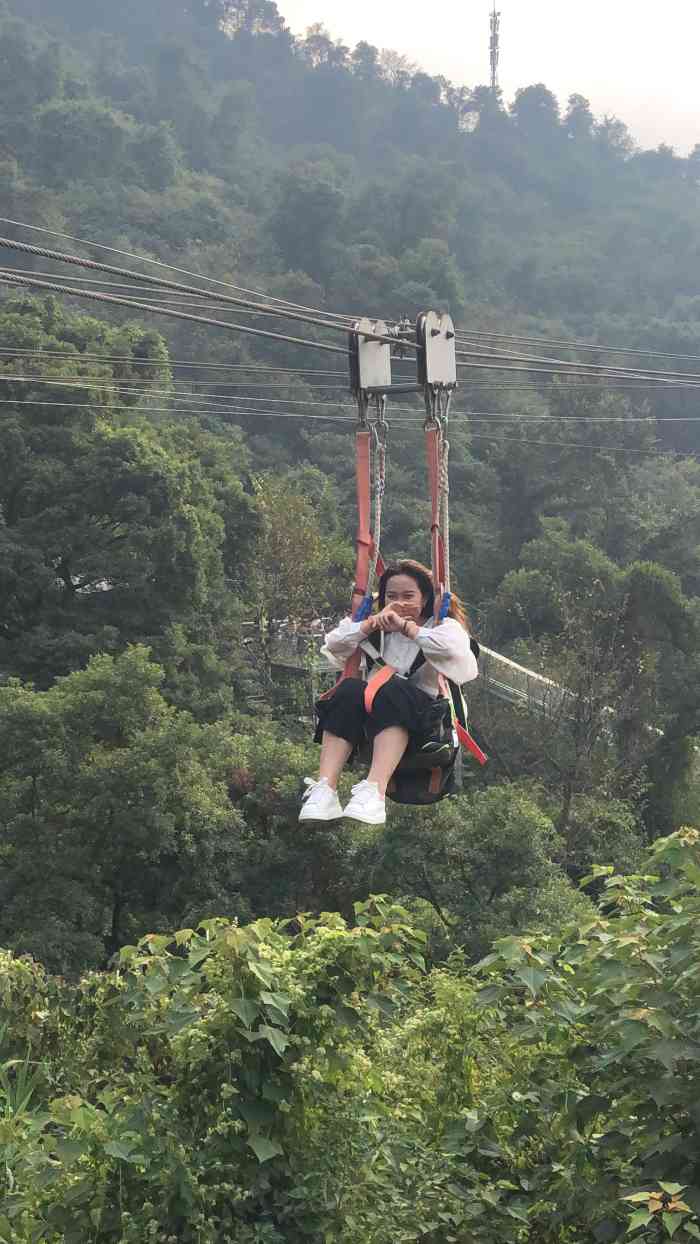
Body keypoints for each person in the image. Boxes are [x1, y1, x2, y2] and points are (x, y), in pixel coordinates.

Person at [300, 559, 479, 826]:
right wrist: (369, 625)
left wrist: (408, 628)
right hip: (377, 721)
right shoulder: (377, 630)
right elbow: (334, 646)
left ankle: (375, 790)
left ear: (425, 598)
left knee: (393, 688)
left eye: (408, 596)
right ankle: (325, 788)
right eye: (391, 597)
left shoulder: (441, 626)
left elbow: (456, 652)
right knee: (349, 690)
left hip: (426, 724)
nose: (399, 603)